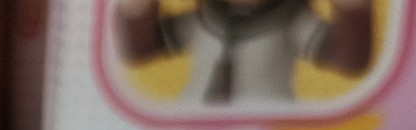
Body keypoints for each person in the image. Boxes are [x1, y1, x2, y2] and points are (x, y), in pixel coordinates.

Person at [113, 0, 374, 106]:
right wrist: (138, 8)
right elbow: (142, 49)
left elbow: (348, 58)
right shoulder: (205, 20)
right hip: (195, 126)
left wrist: (352, 8)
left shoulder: (289, 20)